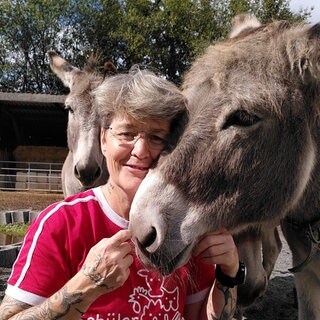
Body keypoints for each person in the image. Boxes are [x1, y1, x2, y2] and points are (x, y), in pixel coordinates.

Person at [0, 68, 243, 320]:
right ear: (104, 139)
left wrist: (229, 273)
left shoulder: (185, 226)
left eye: (156, 137)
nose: (140, 150)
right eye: (127, 134)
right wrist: (85, 286)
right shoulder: (61, 224)